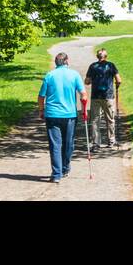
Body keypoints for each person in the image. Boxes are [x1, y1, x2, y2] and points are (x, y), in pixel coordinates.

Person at [38, 51, 86, 181]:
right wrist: (84, 109)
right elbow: (83, 94)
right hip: (70, 115)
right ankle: (64, 168)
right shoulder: (74, 74)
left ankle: (57, 174)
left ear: (56, 62)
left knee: (55, 144)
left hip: (52, 115)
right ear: (67, 61)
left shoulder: (49, 75)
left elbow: (41, 96)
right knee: (68, 143)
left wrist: (41, 110)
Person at [84, 47, 121, 150]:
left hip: (95, 96)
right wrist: (117, 85)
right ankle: (111, 141)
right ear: (106, 57)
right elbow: (119, 80)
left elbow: (87, 81)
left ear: (97, 57)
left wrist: (92, 80)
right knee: (110, 119)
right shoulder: (111, 65)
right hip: (108, 96)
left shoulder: (93, 66)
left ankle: (96, 143)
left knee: (95, 120)